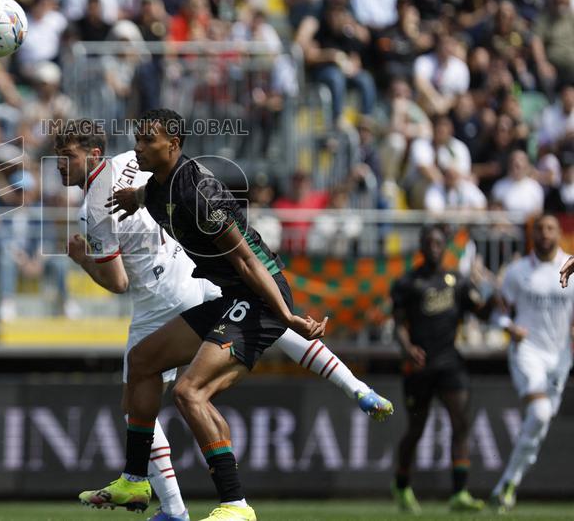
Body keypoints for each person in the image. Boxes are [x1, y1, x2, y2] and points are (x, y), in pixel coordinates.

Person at [56, 121, 392, 521]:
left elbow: (119, 281)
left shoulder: (93, 209)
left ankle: (184, 506)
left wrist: (82, 260)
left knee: (149, 400)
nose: (59, 165)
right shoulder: (134, 162)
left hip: (158, 297)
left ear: (93, 154)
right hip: (195, 277)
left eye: (68, 156)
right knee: (259, 321)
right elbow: (157, 186)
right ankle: (355, 387)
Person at [389, 224, 489, 513]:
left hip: (449, 362)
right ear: (421, 247)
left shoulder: (457, 281)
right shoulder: (407, 283)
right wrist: (407, 349)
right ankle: (401, 484)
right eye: (429, 243)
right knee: (416, 429)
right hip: (418, 365)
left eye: (438, 243)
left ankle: (459, 493)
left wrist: (488, 292)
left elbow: (482, 312)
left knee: (460, 423)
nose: (434, 248)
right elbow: (397, 325)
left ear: (444, 247)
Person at [490, 214, 574, 513]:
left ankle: (507, 484)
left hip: (561, 357)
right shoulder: (517, 272)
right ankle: (507, 484)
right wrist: (509, 327)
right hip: (528, 351)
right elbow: (498, 313)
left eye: (550, 228)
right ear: (532, 235)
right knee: (539, 413)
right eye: (539, 229)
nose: (545, 234)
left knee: (540, 420)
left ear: (558, 233)